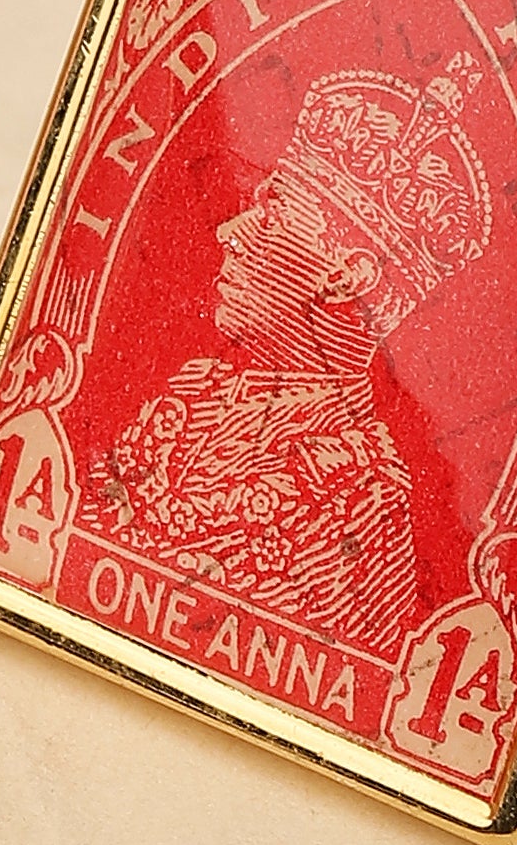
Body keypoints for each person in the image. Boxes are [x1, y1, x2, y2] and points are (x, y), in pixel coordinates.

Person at [92, 55, 494, 653]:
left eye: (273, 212)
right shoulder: (193, 394)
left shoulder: (361, 503)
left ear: (344, 276)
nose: (230, 231)